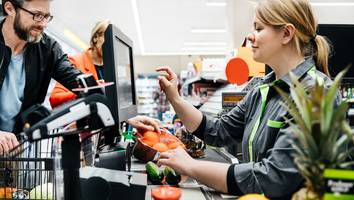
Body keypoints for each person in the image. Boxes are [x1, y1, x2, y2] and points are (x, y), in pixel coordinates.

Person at [136, 0, 337, 199]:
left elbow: (274, 178)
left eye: (258, 28)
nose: (250, 36)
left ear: (286, 33)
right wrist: (175, 98)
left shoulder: (315, 95)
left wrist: (192, 166)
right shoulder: (262, 89)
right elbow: (218, 130)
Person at [0, 0, 82, 153]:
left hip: (17, 148)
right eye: (37, 15)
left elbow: (78, 80)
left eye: (47, 17)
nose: (43, 24)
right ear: (10, 9)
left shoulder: (47, 48)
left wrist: (113, 107)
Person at [49, 19, 110, 108]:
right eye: (107, 38)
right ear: (96, 37)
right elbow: (54, 99)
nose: (110, 45)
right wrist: (87, 92)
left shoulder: (110, 66)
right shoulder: (75, 61)